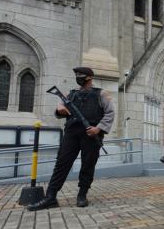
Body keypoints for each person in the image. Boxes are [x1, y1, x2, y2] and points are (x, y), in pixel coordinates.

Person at [28, 67, 114, 211]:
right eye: (77, 75)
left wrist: (98, 129)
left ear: (90, 77)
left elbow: (109, 113)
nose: (79, 78)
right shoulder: (70, 94)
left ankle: (82, 195)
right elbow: (60, 108)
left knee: (88, 165)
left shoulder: (102, 94)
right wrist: (59, 109)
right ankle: (50, 197)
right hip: (71, 133)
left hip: (91, 134)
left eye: (82, 76)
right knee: (62, 163)